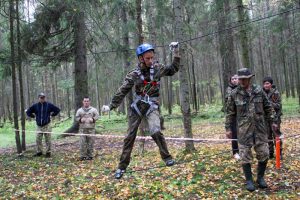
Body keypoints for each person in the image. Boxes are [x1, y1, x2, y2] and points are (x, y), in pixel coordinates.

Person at [108, 42, 180, 179]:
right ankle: (122, 167)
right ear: (140, 58)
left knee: (155, 131)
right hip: (137, 107)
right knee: (129, 137)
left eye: (152, 57)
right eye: (148, 58)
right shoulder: (134, 74)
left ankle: (167, 157)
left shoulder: (158, 68)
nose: (151, 61)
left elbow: (173, 69)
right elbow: (123, 90)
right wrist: (112, 105)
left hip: (152, 105)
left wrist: (176, 52)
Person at [225, 68, 278, 192]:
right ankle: (249, 180)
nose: (242, 81)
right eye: (240, 79)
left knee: (264, 153)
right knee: (245, 156)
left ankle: (260, 178)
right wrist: (228, 128)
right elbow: (229, 113)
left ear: (249, 78)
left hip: (260, 129)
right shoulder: (234, 93)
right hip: (244, 131)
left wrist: (273, 121)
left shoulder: (259, 91)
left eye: (244, 79)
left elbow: (268, 107)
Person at [26, 93, 60, 157]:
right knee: (38, 139)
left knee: (48, 140)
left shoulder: (49, 105)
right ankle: (39, 152)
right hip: (39, 126)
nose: (42, 99)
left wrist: (52, 115)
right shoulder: (35, 106)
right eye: (41, 98)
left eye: (43, 97)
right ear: (38, 98)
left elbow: (57, 110)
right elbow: (28, 112)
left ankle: (48, 152)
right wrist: (33, 116)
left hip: (47, 125)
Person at [262, 76, 282, 159]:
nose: (266, 85)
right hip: (265, 118)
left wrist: (269, 104)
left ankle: (279, 152)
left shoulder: (275, 93)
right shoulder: (261, 93)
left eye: (267, 83)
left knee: (276, 135)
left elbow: (278, 105)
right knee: (268, 136)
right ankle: (270, 152)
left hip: (275, 118)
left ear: (271, 84)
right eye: (264, 84)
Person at [224, 74, 240, 160]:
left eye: (236, 79)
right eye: (233, 79)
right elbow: (228, 103)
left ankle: (243, 151)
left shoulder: (242, 88)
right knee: (234, 134)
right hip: (233, 115)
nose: (234, 80)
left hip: (243, 115)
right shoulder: (229, 90)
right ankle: (235, 152)